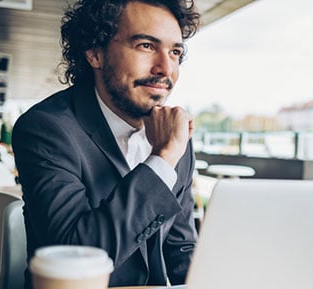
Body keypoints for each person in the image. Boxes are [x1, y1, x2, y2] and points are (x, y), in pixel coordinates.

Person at [11, 0, 200, 287]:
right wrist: (162, 159)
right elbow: (75, 256)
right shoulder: (45, 129)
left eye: (175, 52)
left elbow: (180, 248)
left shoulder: (176, 137)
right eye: (146, 46)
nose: (166, 68)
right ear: (94, 52)